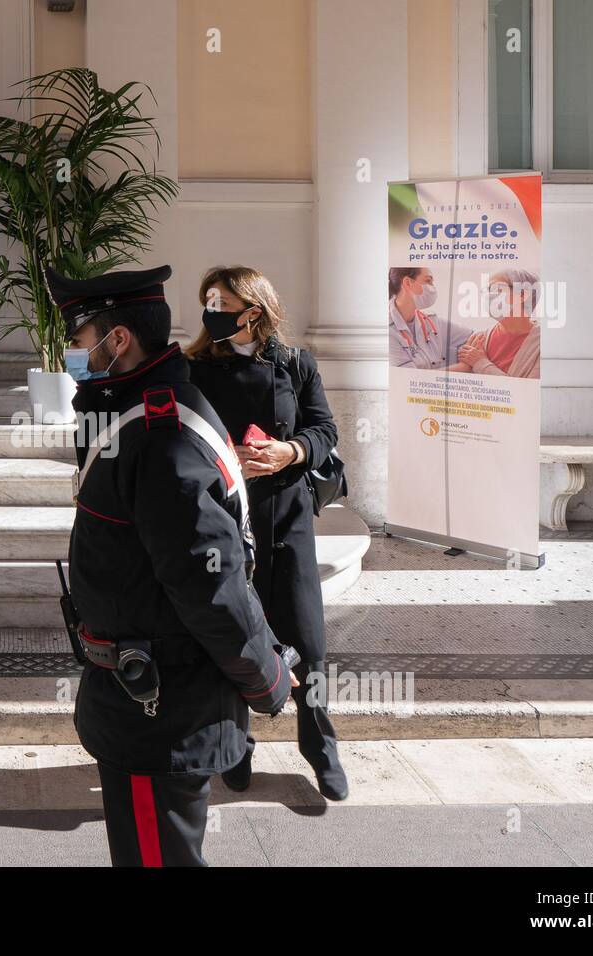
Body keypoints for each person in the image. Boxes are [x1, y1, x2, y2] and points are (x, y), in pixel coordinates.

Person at [46, 263, 300, 867]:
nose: (74, 358)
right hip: (149, 701)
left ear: (118, 341)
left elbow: (208, 581)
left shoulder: (161, 437)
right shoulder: (145, 411)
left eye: (81, 343)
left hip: (157, 711)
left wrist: (263, 674)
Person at [187, 266, 349, 801]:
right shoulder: (192, 370)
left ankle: (320, 746)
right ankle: (237, 746)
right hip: (224, 520)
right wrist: (225, 459)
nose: (211, 310)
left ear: (252, 311)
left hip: (287, 519)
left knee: (309, 641)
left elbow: (324, 429)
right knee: (233, 637)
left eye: (222, 301)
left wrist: (291, 451)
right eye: (207, 300)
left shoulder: (295, 364)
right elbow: (175, 439)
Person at [455, 269, 541, 378]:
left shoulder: (543, 344)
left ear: (522, 295)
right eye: (486, 290)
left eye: (495, 288)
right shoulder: (479, 338)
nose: (487, 295)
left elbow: (525, 392)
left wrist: (480, 363)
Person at [388, 267, 472, 370]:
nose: (433, 287)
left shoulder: (430, 320)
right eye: (428, 281)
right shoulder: (387, 331)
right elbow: (410, 378)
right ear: (408, 282)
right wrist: (464, 366)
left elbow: (476, 337)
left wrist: (477, 357)